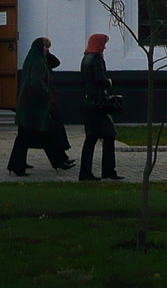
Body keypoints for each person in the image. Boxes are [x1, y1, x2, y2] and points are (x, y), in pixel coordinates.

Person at [7, 37, 74, 175]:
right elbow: (36, 83)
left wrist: (47, 53)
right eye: (45, 47)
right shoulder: (38, 62)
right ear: (39, 48)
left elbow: (55, 62)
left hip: (29, 105)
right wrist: (47, 94)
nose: (48, 50)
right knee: (40, 134)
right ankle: (57, 161)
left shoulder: (32, 59)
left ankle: (17, 165)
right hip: (35, 106)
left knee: (26, 136)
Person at [78, 33, 123, 181]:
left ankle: (85, 172)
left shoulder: (85, 58)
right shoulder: (97, 58)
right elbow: (100, 80)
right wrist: (109, 82)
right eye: (104, 43)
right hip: (98, 103)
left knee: (91, 138)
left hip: (88, 102)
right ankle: (108, 170)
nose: (104, 47)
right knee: (109, 134)